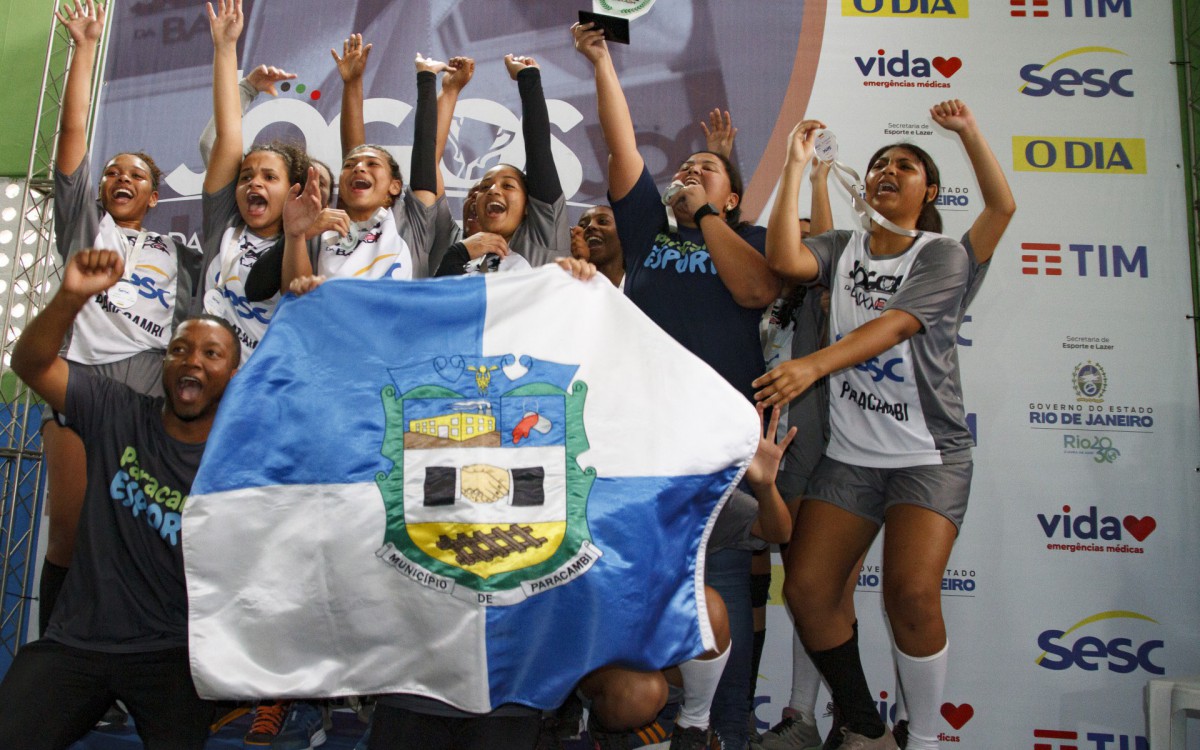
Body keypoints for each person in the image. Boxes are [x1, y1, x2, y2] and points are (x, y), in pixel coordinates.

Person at [758, 100, 1014, 750]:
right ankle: (864, 721)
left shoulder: (944, 255)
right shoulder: (842, 247)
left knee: (912, 595)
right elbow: (786, 260)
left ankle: (923, 739)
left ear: (928, 191)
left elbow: (893, 326)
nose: (887, 170)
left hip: (928, 457)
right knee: (811, 590)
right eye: (879, 163)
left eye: (905, 165)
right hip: (852, 458)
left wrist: (969, 130)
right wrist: (792, 167)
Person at [573, 22, 779, 749]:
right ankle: (626, 715)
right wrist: (601, 60)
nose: (687, 171)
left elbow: (755, 292)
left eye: (707, 167)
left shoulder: (750, 240)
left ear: (734, 193)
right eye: (683, 167)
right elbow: (622, 144)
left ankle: (723, 732)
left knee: (719, 592)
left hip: (718, 448)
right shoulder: (648, 236)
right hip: (642, 443)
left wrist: (713, 213)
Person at [0, 249, 238, 750]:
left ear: (233, 377)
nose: (191, 359)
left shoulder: (240, 461)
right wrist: (71, 297)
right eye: (179, 349)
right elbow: (29, 363)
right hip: (77, 642)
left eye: (211, 353)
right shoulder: (116, 409)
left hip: (172, 653)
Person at [40, 0, 195, 642]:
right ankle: (54, 651)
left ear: (156, 197)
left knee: (148, 540)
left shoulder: (178, 253)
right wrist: (83, 48)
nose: (120, 177)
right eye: (113, 173)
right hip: (83, 389)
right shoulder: (86, 226)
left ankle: (146, 664)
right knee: (73, 535)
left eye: (136, 174)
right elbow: (73, 140)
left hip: (150, 401)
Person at [584, 404, 795, 750]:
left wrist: (766, 486)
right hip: (597, 654)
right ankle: (602, 724)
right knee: (640, 695)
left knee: (709, 607)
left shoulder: (692, 491)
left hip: (658, 646)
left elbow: (778, 531)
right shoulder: (592, 485)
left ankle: (693, 727)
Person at [434, 53, 570, 275]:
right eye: (485, 187)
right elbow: (439, 305)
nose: (493, 191)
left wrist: (528, 78)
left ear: (529, 206)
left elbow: (539, 152)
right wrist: (457, 254)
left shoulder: (544, 239)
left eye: (508, 185)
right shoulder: (465, 259)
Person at [570, 205, 624, 288]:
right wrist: (581, 261)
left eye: (603, 221)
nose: (590, 226)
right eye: (582, 225)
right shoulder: (567, 284)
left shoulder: (645, 287)